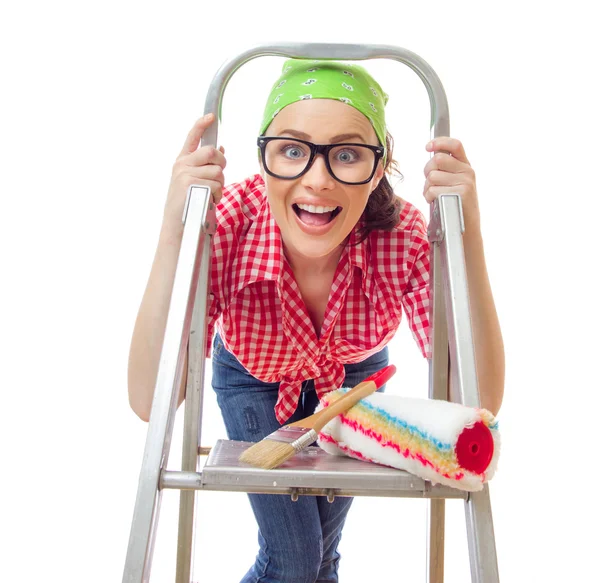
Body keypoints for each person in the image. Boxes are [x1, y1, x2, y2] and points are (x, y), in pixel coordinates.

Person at [127, 59, 504, 583]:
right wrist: (176, 228)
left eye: (347, 155)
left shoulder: (403, 237)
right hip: (253, 378)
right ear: (263, 159)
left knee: (320, 558)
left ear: (377, 168)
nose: (318, 180)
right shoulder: (233, 223)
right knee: (296, 559)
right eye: (293, 151)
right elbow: (149, 401)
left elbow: (479, 399)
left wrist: (468, 233)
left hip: (353, 378)